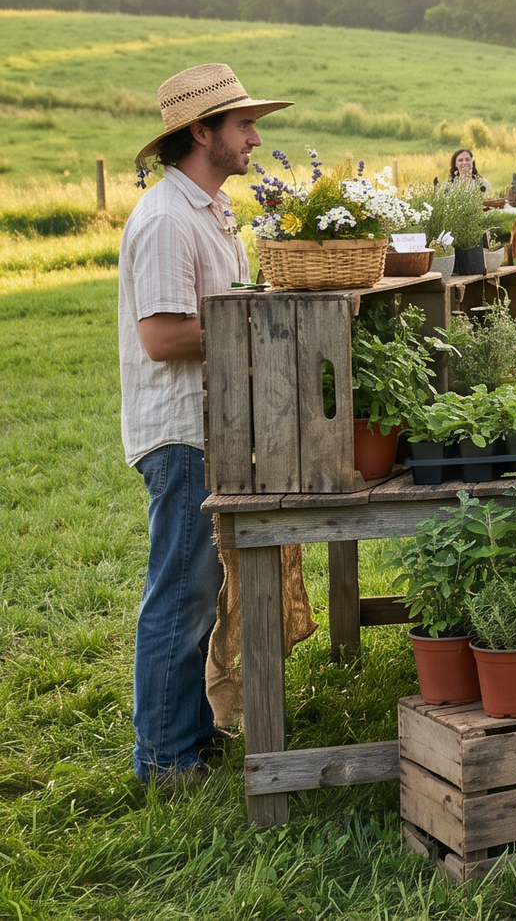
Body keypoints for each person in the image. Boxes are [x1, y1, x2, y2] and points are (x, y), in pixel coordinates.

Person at [121, 64, 290, 783]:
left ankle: (186, 731)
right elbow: (162, 336)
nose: (254, 138)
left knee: (199, 590)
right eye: (243, 124)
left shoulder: (209, 211)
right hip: (182, 432)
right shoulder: (166, 219)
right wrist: (257, 316)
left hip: (210, 427)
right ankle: (163, 759)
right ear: (200, 131)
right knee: (182, 594)